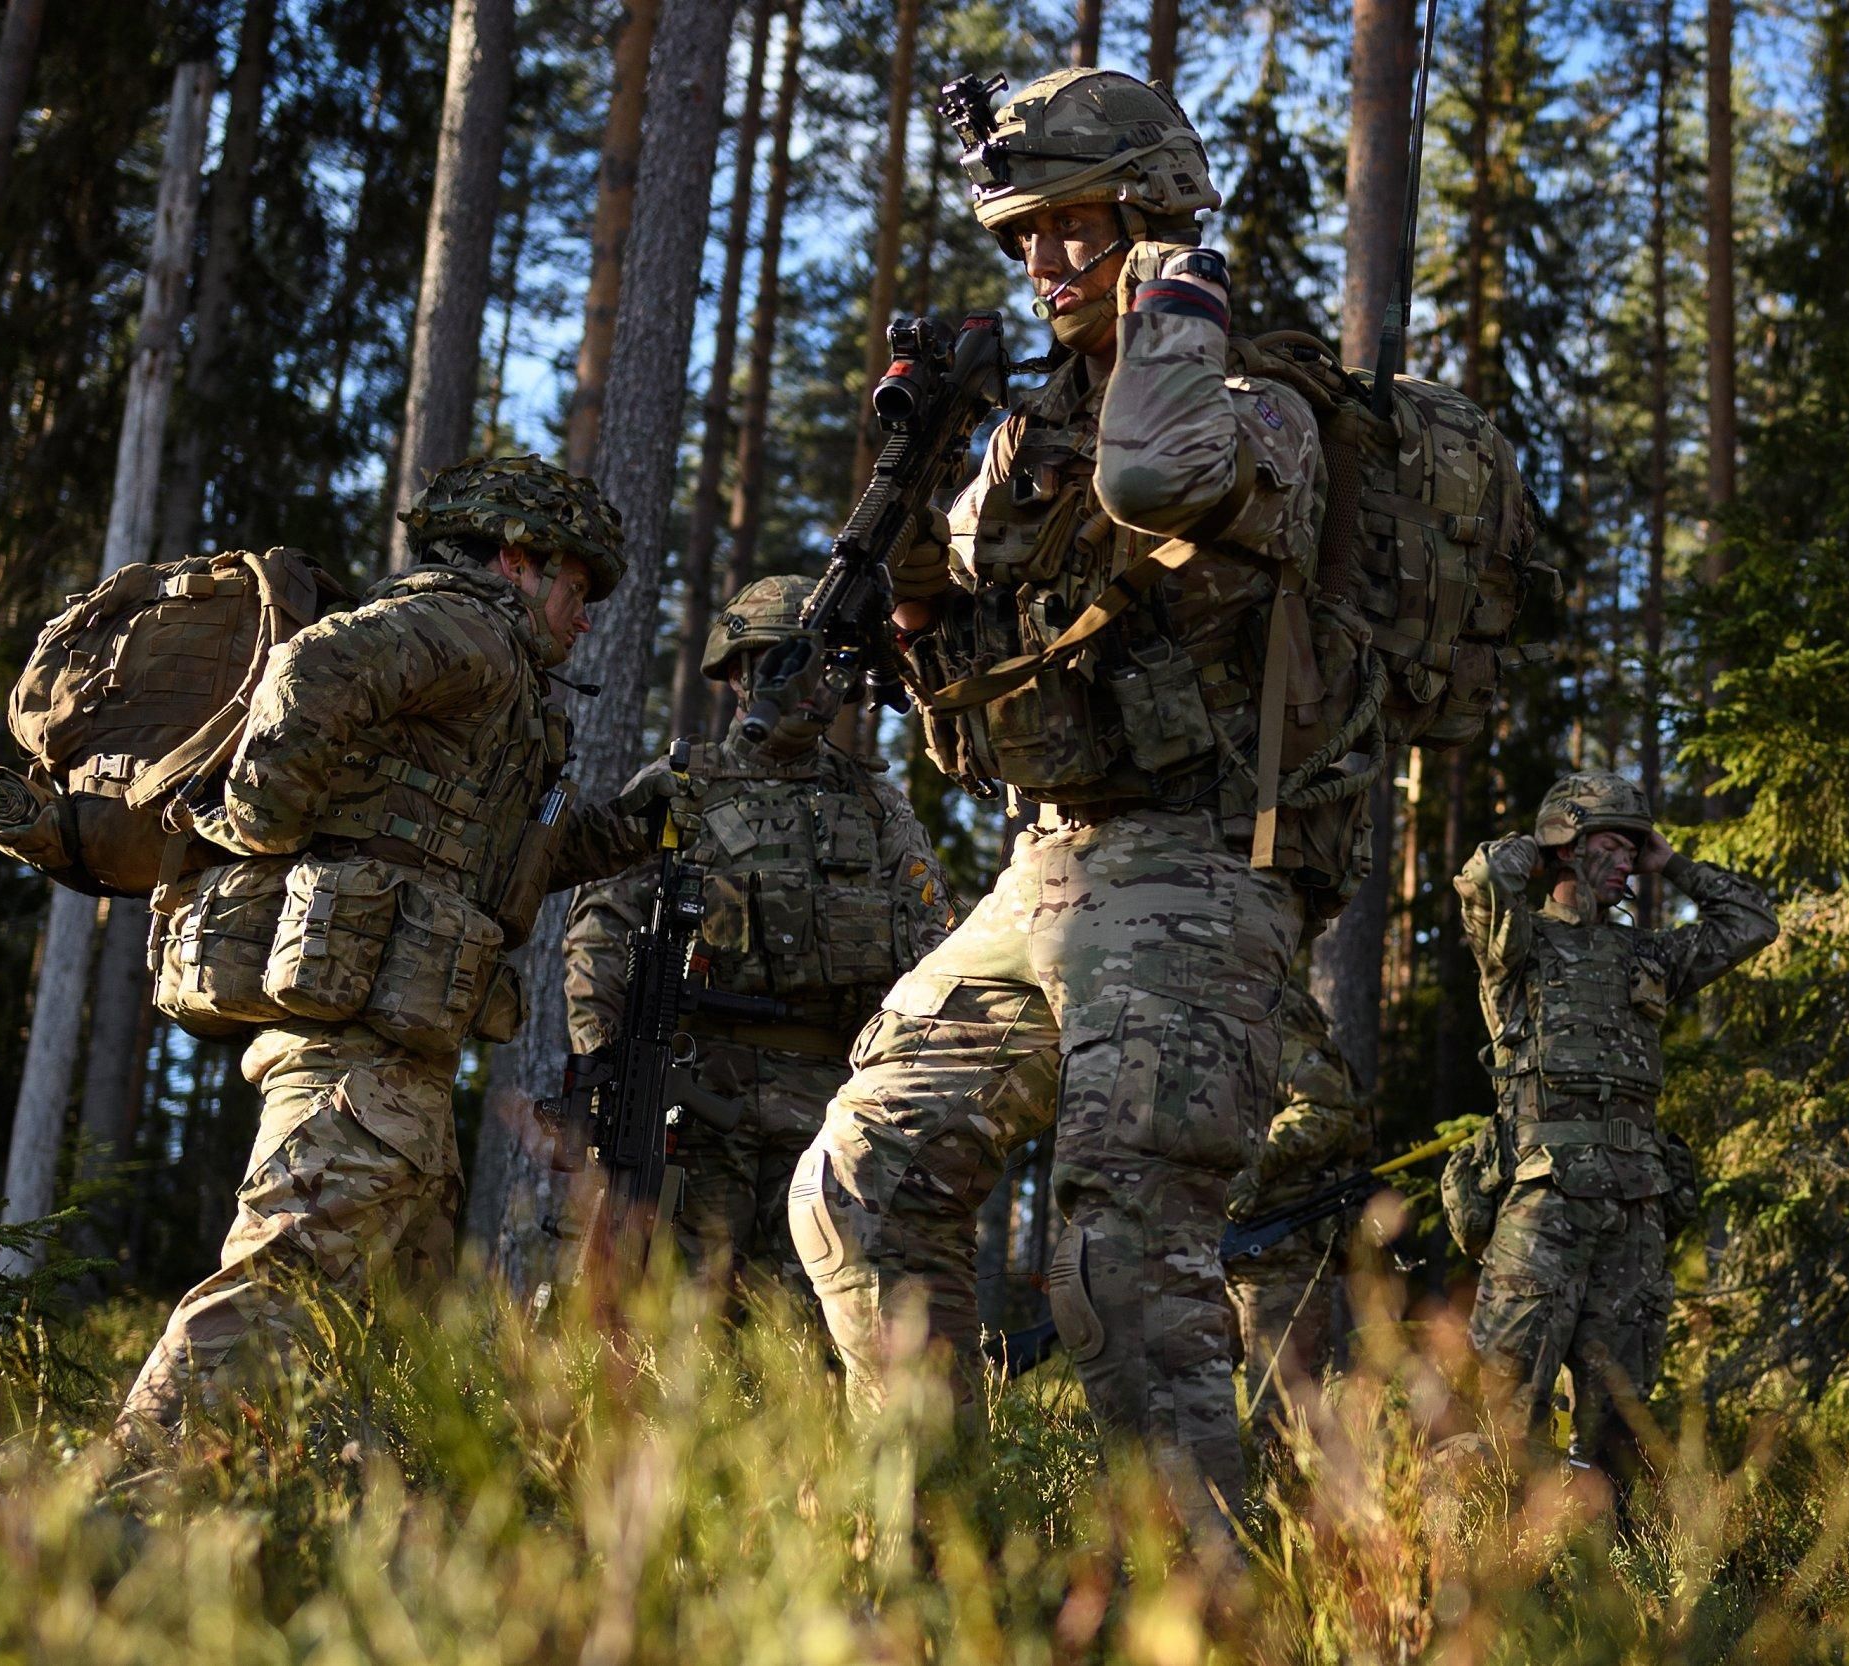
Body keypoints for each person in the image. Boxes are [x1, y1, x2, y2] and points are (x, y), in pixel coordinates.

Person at [789, 66, 1367, 1528]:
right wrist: (916, 480)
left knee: (1116, 1255)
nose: (1043, 263)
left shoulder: (1259, 401)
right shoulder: (1031, 436)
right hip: (1045, 867)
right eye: (1022, 236)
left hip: (1197, 865)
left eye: (1075, 226)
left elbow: (1165, 478)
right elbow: (957, 611)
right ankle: (933, 1573)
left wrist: (1175, 295)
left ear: (1157, 215)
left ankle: (1204, 1606)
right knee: (859, 1178)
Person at [118, 455, 677, 1440]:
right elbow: (317, 667)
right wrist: (259, 815)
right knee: (278, 1286)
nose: (583, 618)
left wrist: (646, 818)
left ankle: (348, 1544)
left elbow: (512, 853)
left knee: (390, 1347)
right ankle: (116, 1506)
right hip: (357, 1057)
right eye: (578, 589)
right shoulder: (466, 625)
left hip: (398, 1064)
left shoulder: (498, 682)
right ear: (519, 560)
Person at [562, 575, 954, 1291]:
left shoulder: (875, 807)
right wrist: (600, 1056)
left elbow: (931, 948)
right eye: (783, 662)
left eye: (821, 666)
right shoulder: (682, 786)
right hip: (697, 1092)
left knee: (812, 1309)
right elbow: (600, 929)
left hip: (833, 1101)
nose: (807, 687)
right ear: (739, 671)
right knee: (683, 1304)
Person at [1453, 770, 1776, 1485]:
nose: (1630, 859)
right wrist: (1542, 844)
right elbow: (1479, 881)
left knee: (1623, 1427)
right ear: (1570, 845)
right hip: (1544, 1207)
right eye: (1614, 843)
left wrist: (1674, 862)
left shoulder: (1647, 955)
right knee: (1505, 1409)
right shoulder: (1521, 947)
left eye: (1637, 847)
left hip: (1634, 1211)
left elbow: (1753, 922)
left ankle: (1620, 1589)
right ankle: (1486, 1583)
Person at [1223, 975, 1373, 1426]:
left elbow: (1327, 1107)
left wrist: (1255, 1162)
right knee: (1185, 1395)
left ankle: (1279, 1494)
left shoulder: (1267, 1007)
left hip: (1278, 1245)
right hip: (1224, 1244)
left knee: (1283, 1411)